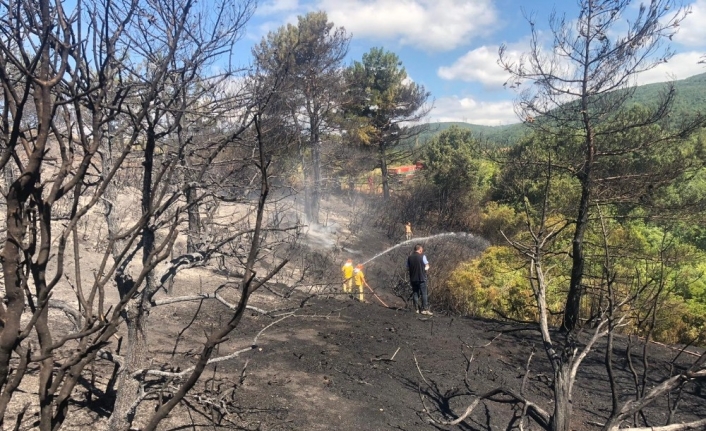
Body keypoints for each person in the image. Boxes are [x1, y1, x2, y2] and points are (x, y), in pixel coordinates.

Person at [407, 244, 432, 315]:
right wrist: (425, 270)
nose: (422, 251)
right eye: (422, 250)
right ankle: (425, 309)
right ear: (420, 249)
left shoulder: (409, 257)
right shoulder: (422, 256)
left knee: (415, 293)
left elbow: (407, 267)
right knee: (424, 293)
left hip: (413, 279)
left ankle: (416, 309)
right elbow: (427, 266)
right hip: (421, 278)